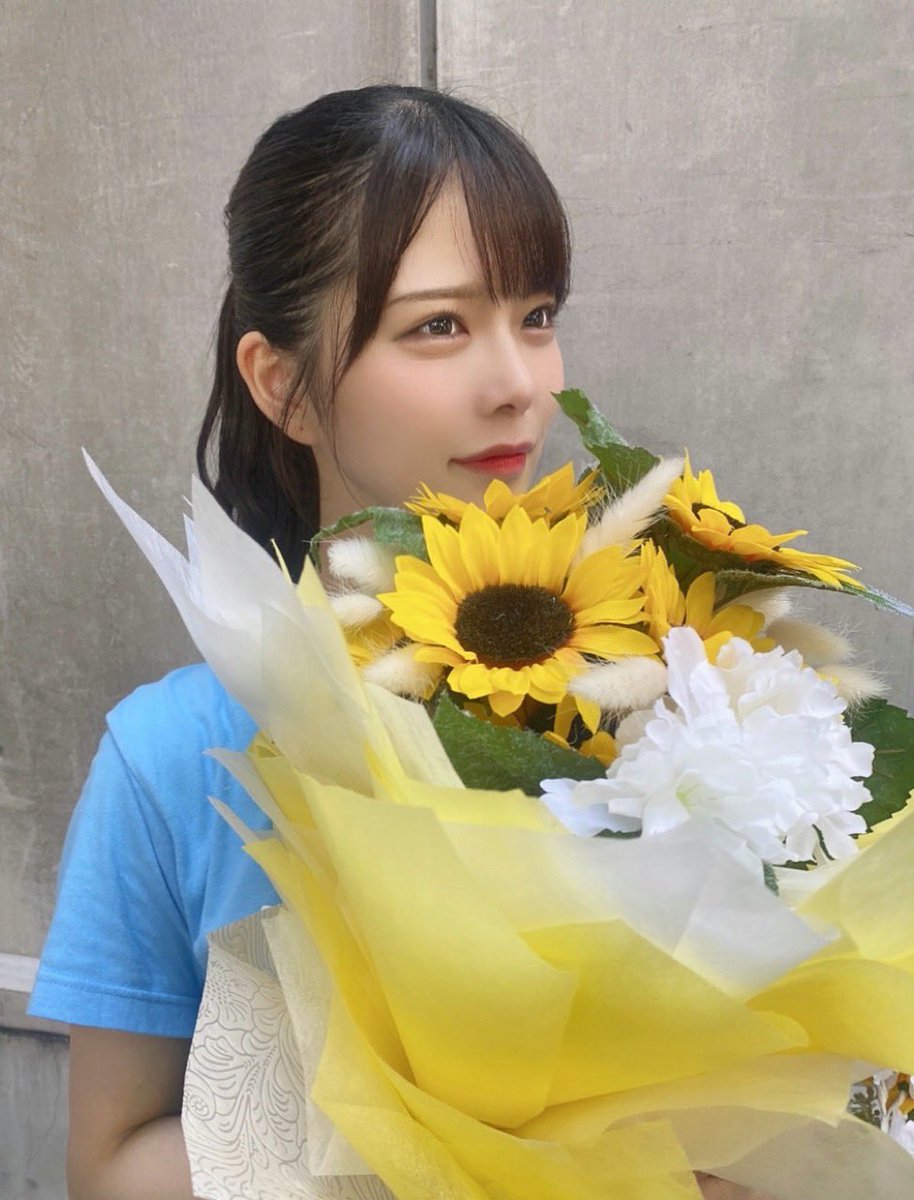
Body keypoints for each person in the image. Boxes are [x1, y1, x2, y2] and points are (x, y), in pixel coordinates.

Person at [29, 85, 770, 1200]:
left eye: (535, 314)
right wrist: (419, 1117)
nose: (520, 384)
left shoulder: (664, 705)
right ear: (282, 385)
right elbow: (107, 1168)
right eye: (438, 326)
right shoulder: (175, 754)